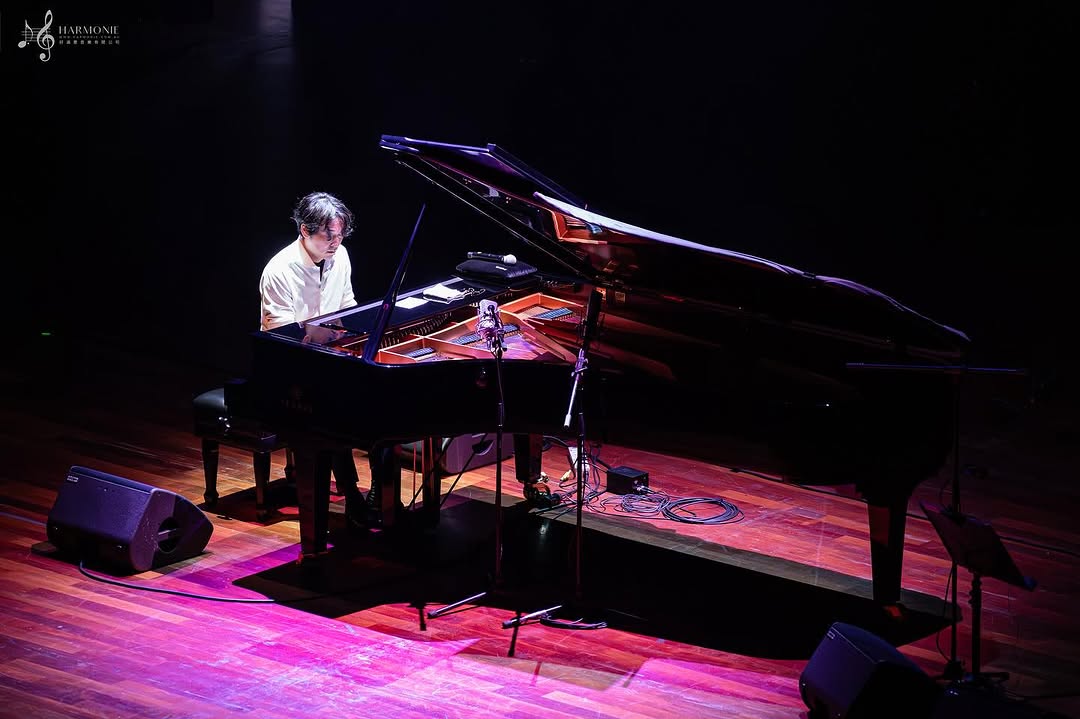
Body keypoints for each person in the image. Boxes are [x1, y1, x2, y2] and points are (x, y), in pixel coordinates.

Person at [259, 191, 366, 526]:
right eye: (328, 236)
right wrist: (319, 338)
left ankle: (376, 492)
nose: (336, 243)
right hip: (287, 367)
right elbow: (279, 336)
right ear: (304, 231)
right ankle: (353, 496)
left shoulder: (342, 256)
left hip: (328, 358)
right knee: (330, 414)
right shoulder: (278, 270)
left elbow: (347, 304)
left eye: (341, 235)